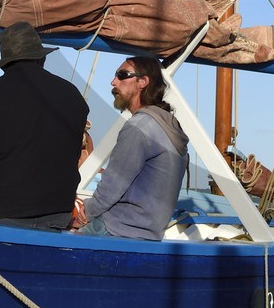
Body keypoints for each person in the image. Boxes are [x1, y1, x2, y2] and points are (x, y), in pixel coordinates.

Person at [0, 22, 88, 230]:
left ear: (5, 63)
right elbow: (73, 154)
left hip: (2, 210)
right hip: (57, 209)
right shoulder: (72, 95)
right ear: (42, 58)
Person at [76, 54, 189, 239]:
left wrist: (84, 213)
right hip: (149, 235)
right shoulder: (169, 126)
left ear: (143, 81)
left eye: (122, 75)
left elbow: (112, 186)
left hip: (116, 229)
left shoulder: (139, 127)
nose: (113, 82)